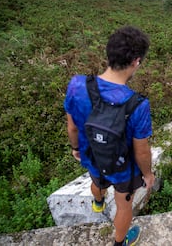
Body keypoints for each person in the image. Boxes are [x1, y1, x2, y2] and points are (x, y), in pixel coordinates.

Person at [64, 26, 155, 246]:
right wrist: (148, 174)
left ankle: (97, 202)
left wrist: (76, 148)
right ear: (136, 61)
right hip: (122, 168)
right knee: (124, 204)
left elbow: (73, 128)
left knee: (96, 180)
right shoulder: (138, 104)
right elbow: (141, 150)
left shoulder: (77, 85)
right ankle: (119, 243)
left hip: (91, 155)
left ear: (109, 53)